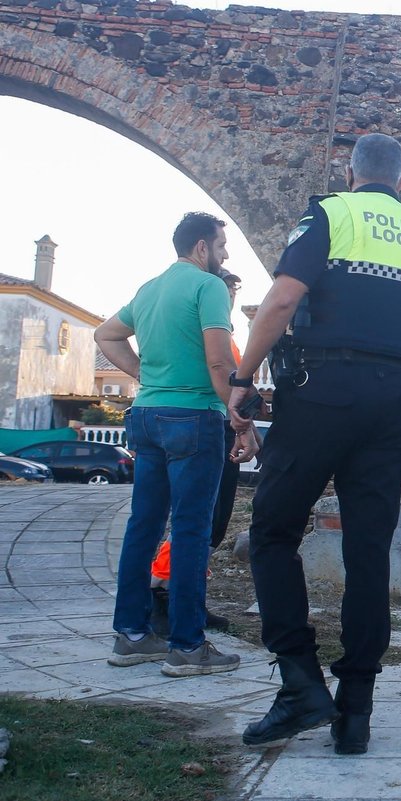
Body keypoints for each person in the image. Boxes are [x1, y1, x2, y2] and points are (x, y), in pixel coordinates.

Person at [230, 133, 401, 755]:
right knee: (369, 552)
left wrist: (244, 378)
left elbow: (283, 299)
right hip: (393, 406)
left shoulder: (331, 213)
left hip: (323, 394)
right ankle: (356, 713)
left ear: (351, 171)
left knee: (271, 531)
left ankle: (299, 681)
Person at [96, 212, 242, 677]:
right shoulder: (209, 287)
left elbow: (106, 335)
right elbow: (220, 363)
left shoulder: (150, 288)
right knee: (191, 530)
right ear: (201, 247)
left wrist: (144, 375)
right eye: (221, 246)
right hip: (195, 417)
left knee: (144, 525)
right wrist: (242, 421)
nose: (224, 255)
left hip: (146, 415)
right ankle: (187, 645)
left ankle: (131, 636)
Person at [147, 268, 246, 632]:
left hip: (220, 423)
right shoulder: (207, 329)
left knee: (213, 523)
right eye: (227, 289)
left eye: (234, 290)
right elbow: (219, 372)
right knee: (197, 520)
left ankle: (186, 595)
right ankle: (164, 593)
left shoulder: (225, 332)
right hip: (209, 422)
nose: (230, 296)